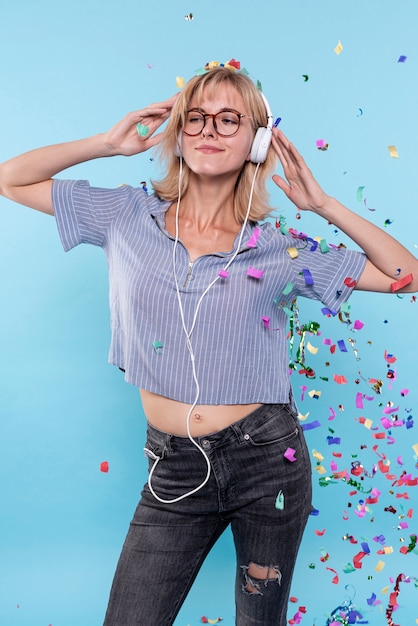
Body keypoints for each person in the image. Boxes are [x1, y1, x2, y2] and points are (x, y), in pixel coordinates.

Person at [0, 64, 417, 626]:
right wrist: (106, 143)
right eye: (194, 118)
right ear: (177, 132)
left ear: (257, 140)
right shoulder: (127, 214)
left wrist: (323, 206)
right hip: (172, 469)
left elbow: (405, 273)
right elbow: (11, 178)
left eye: (229, 119)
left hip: (268, 463)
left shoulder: (279, 250)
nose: (209, 129)